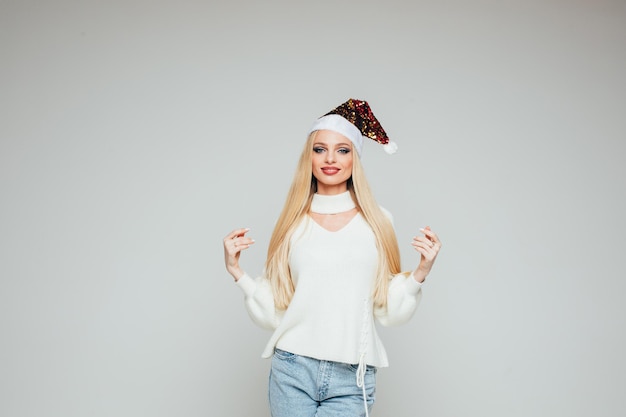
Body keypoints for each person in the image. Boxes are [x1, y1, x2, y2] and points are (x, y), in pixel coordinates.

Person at [223, 98, 441, 417]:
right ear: (308, 157)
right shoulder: (289, 223)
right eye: (320, 149)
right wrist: (237, 272)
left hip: (352, 376)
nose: (330, 159)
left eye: (342, 149)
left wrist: (420, 272)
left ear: (355, 158)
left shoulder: (378, 221)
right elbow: (275, 310)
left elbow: (388, 311)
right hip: (291, 369)